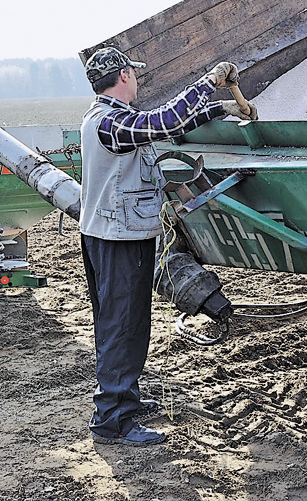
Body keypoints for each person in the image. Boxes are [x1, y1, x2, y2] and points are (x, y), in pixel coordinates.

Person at [79, 48, 256, 446]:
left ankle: (124, 402)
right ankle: (113, 422)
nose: (137, 79)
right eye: (134, 73)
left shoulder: (111, 118)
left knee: (124, 324)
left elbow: (165, 128)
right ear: (124, 75)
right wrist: (208, 82)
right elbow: (164, 120)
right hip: (117, 239)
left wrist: (219, 108)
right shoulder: (109, 122)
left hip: (114, 234)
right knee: (122, 328)